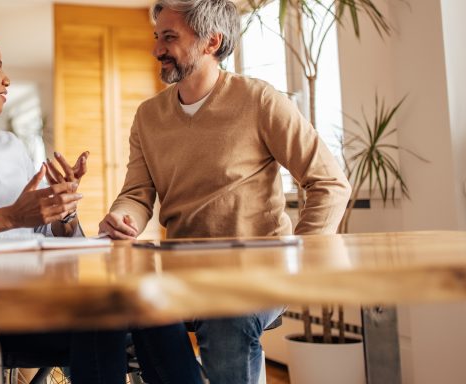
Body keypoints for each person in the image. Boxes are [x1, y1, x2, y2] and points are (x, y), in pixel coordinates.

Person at [0, 3, 202, 383]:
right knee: (103, 312)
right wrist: (10, 217)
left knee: (150, 300)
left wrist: (62, 212)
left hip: (35, 296)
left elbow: (45, 236)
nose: (6, 79)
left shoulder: (11, 145)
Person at [98, 0, 352, 383]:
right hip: (183, 272)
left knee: (226, 315)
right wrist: (124, 217)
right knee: (121, 310)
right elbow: (136, 193)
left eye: (169, 37)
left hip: (257, 273)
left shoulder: (260, 100)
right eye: (157, 36)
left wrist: (298, 259)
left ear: (211, 42)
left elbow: (329, 183)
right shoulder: (148, 116)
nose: (156, 49)